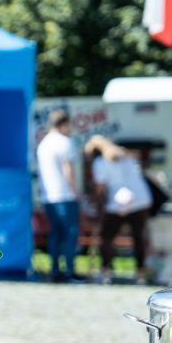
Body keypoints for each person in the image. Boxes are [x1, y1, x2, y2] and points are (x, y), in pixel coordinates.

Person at [86, 136, 153, 284]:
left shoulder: (100, 162)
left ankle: (105, 271)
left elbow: (100, 187)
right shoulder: (126, 155)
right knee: (138, 238)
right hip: (141, 199)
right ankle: (140, 273)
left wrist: (94, 199)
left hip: (119, 201)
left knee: (107, 237)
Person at [36, 109, 81, 282]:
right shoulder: (65, 142)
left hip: (49, 195)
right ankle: (69, 270)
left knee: (54, 234)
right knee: (70, 233)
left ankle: (54, 269)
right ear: (64, 124)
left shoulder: (43, 144)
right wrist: (75, 191)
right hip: (65, 195)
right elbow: (68, 169)